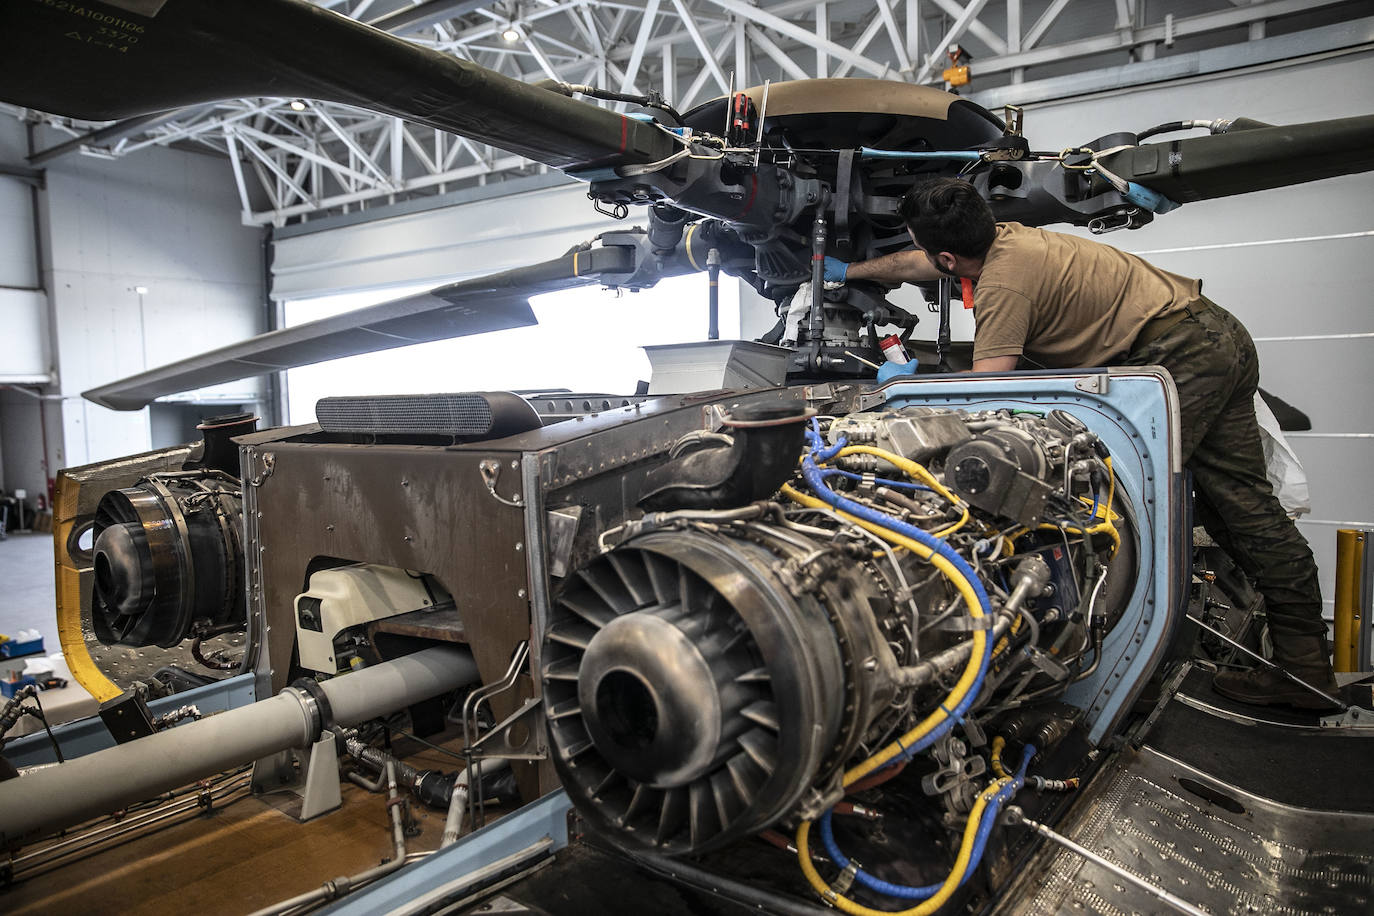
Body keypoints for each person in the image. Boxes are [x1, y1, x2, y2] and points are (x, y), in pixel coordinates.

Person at [826, 177, 1337, 710]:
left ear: (951, 256)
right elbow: (920, 263)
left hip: (1178, 356)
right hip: (1214, 331)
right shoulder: (1007, 238)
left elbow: (981, 400)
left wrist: (902, 387)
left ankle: (1136, 668)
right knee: (1237, 503)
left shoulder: (1003, 287)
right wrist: (850, 273)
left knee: (1102, 500)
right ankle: (1304, 668)